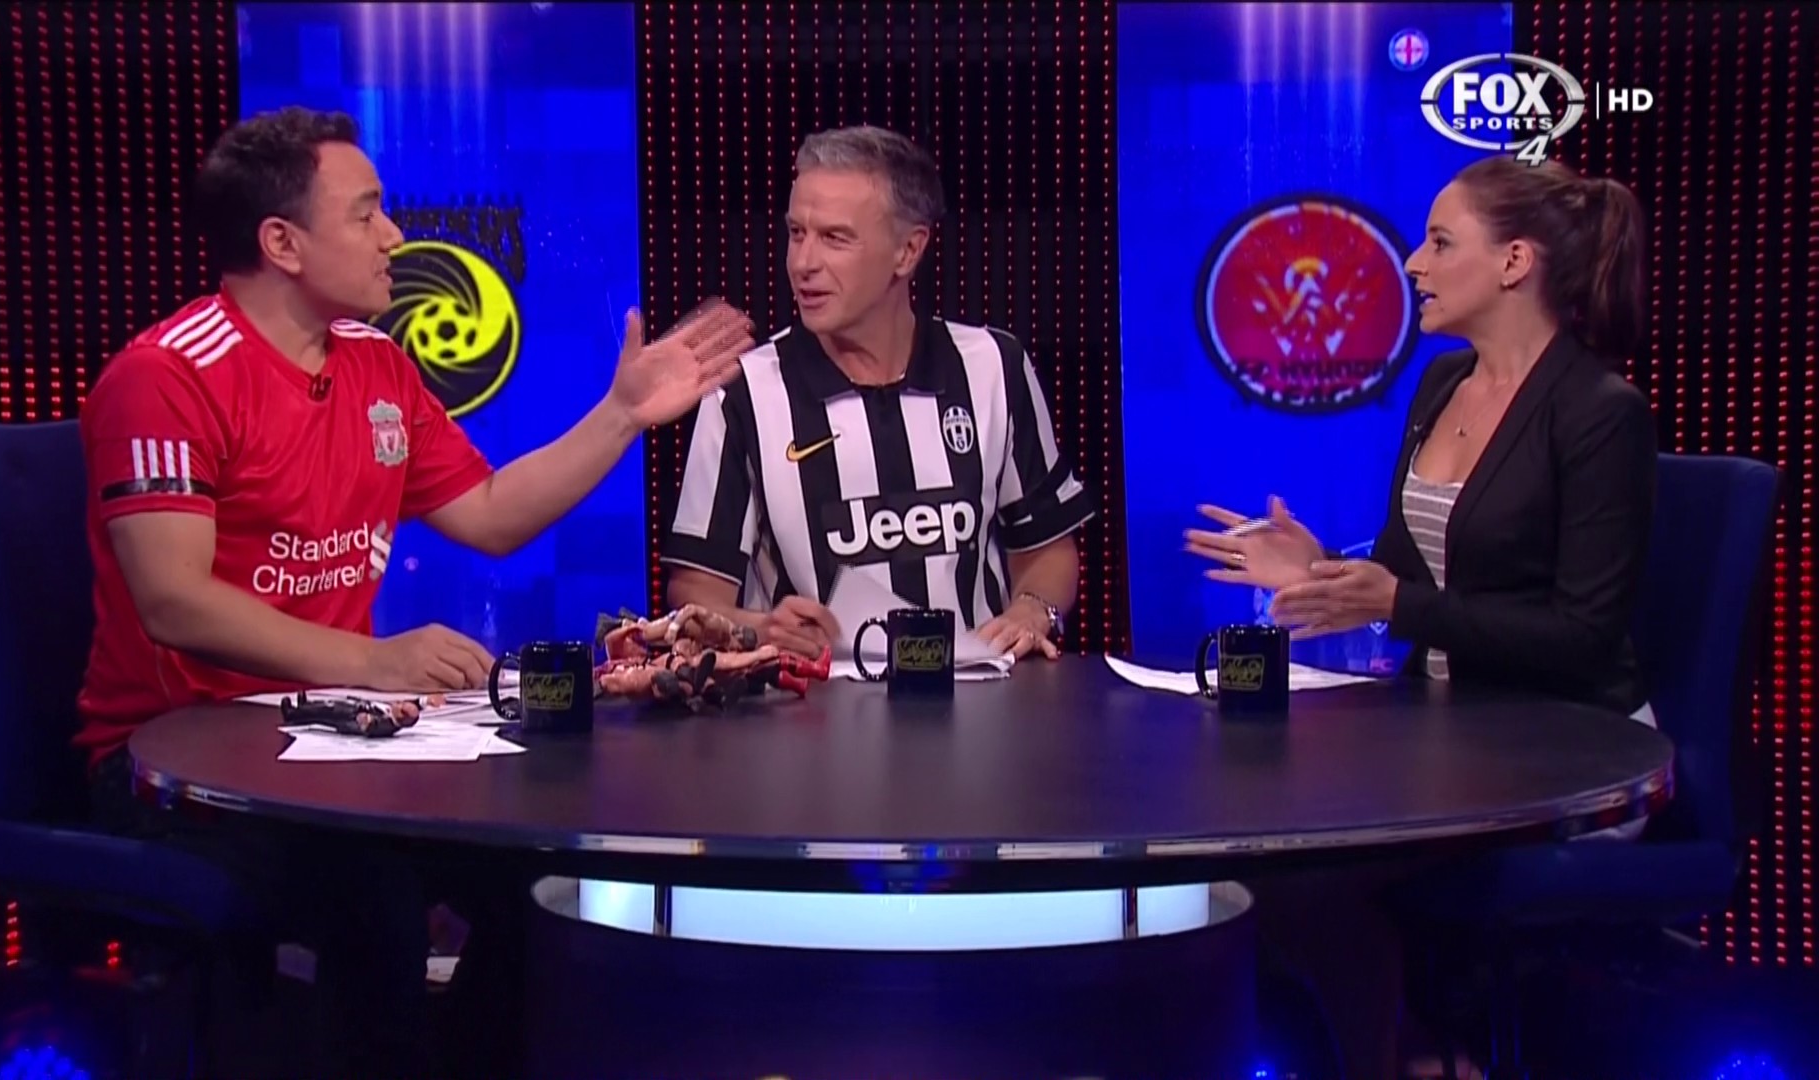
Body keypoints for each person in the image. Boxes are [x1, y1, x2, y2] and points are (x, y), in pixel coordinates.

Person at [77, 105, 752, 1077]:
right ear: (282, 242)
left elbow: (491, 513)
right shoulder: (167, 375)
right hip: (178, 763)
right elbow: (173, 600)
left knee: (548, 872)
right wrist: (374, 660)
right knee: (376, 895)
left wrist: (621, 415)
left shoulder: (376, 362)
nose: (394, 234)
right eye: (366, 213)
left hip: (340, 744)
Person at [1185, 155, 1655, 1080]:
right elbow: (1415, 573)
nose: (1413, 262)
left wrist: (1397, 604)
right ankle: (1413, 1052)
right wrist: (1321, 568)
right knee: (1263, 844)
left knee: (1309, 877)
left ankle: (1413, 1056)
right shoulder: (1443, 386)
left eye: (1441, 242)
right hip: (1445, 736)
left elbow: (1582, 637)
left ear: (1515, 262)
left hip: (1567, 753)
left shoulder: (1601, 414)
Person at [664, 125, 1093, 661]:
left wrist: (1034, 609)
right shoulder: (743, 391)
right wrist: (762, 630)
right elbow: (696, 593)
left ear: (908, 251)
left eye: (835, 238)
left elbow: (1047, 550)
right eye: (797, 233)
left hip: (981, 697)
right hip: (810, 703)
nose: (803, 263)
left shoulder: (993, 366)